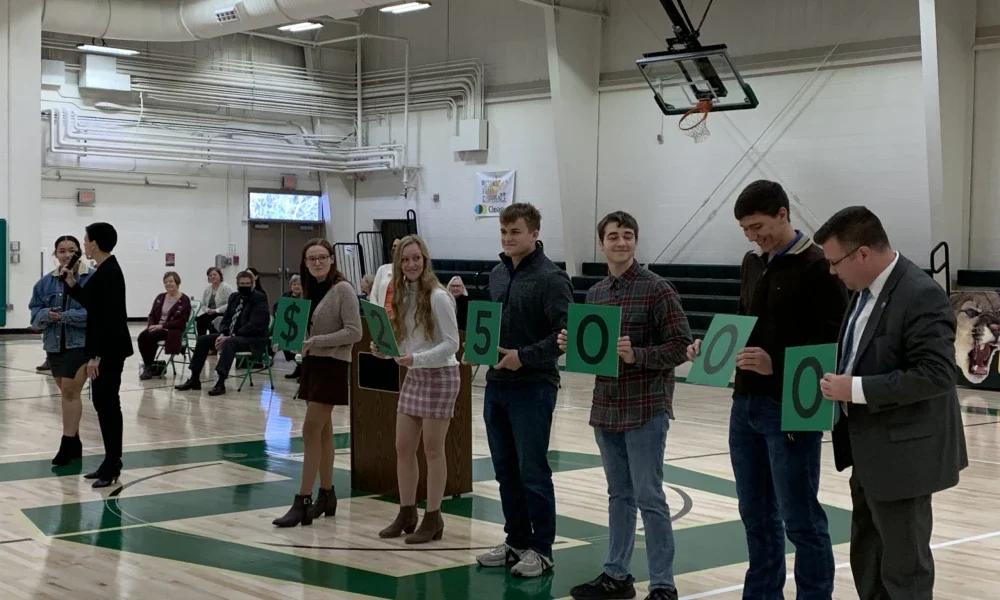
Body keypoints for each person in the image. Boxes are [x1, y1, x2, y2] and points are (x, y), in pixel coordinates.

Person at [685, 180, 847, 599]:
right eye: (745, 230)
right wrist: (713, 349)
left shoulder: (818, 265)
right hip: (745, 405)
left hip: (791, 407)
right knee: (754, 515)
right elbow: (743, 324)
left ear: (782, 213)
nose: (753, 236)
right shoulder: (751, 262)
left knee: (800, 518)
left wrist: (775, 362)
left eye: (758, 226)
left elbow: (831, 342)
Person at [815, 206, 968, 600]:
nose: (833, 272)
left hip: (905, 457)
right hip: (868, 452)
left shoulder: (920, 294)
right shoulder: (863, 293)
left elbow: (937, 374)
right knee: (868, 558)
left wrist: (857, 389)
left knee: (905, 569)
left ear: (862, 254)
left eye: (835, 262)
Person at [558, 212, 691, 600]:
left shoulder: (658, 289)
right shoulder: (596, 293)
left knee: (650, 496)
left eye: (627, 236)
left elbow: (681, 346)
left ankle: (663, 585)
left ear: (636, 241)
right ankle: (616, 575)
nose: (620, 242)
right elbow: (593, 355)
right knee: (619, 495)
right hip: (606, 409)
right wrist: (573, 346)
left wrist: (639, 355)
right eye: (613, 236)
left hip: (646, 408)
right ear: (602, 243)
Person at [475, 203, 573, 578]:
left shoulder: (552, 278)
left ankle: (542, 549)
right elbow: (493, 327)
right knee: (504, 470)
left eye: (514, 231)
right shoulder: (498, 274)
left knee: (533, 471)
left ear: (534, 233)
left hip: (534, 387)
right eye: (503, 231)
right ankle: (516, 541)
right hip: (496, 385)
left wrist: (525, 357)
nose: (507, 238)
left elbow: (564, 337)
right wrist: (479, 350)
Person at [374, 235, 460, 544]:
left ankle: (433, 517)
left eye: (416, 258)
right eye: (405, 260)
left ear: (425, 261)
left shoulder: (438, 296)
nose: (411, 264)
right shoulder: (400, 294)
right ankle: (406, 511)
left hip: (441, 376)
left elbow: (453, 344)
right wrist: (387, 349)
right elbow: (408, 340)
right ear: (398, 264)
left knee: (433, 450)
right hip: (415, 374)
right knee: (402, 447)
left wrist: (416, 358)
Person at [273, 239, 362, 527]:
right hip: (313, 363)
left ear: (332, 259)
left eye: (322, 257)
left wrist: (316, 342)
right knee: (323, 433)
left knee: (310, 430)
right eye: (311, 259)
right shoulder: (309, 289)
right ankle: (327, 494)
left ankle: (302, 500)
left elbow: (354, 331)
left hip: (333, 365)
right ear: (305, 263)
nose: (317, 262)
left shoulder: (344, 289)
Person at [60, 222, 134, 489]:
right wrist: (70, 283)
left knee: (108, 406)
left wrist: (96, 356)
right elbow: (93, 303)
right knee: (103, 405)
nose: (83, 244)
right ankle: (109, 461)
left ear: (95, 243)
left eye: (85, 239)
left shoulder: (110, 272)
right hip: (105, 348)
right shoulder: (103, 270)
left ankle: (113, 463)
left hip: (110, 349)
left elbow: (109, 318)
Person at [29, 235, 92, 466]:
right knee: (65, 393)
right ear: (56, 255)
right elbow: (34, 316)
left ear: (80, 253)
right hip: (54, 345)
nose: (67, 255)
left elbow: (95, 315)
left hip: (81, 345)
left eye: (72, 250)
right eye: (62, 251)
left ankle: (66, 443)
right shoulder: (44, 283)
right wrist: (47, 315)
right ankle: (75, 443)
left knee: (69, 392)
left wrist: (64, 317)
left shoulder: (91, 279)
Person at [174, 271, 269, 396]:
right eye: (241, 284)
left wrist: (231, 336)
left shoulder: (259, 298)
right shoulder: (234, 297)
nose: (244, 286)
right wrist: (223, 333)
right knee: (203, 340)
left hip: (252, 338)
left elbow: (255, 325)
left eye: (247, 284)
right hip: (231, 335)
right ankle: (194, 378)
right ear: (237, 284)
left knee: (229, 343)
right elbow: (226, 319)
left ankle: (220, 382)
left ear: (252, 284)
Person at [138, 272, 192, 380]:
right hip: (157, 327)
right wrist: (151, 325)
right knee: (142, 337)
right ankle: (149, 365)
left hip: (172, 329)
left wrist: (162, 326)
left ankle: (148, 367)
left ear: (177, 282)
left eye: (171, 281)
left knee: (151, 337)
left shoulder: (184, 300)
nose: (168, 284)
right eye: (166, 282)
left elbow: (181, 322)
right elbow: (152, 314)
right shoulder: (160, 297)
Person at [272, 274, 304, 379]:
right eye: (294, 284)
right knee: (284, 344)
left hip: (302, 328)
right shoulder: (286, 296)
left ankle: (302, 369)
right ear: (290, 286)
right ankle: (299, 367)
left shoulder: (306, 296)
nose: (296, 286)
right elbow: (276, 307)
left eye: (299, 284)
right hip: (288, 327)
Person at [196, 267, 233, 336]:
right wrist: (207, 310)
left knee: (213, 322)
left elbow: (230, 303)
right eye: (210, 275)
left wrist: (216, 310)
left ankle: (213, 340)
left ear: (220, 276)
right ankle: (201, 340)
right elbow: (203, 304)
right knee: (200, 319)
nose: (212, 276)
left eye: (215, 274)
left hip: (222, 313)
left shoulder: (226, 288)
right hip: (210, 313)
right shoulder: (207, 289)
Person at [370, 237, 401, 317]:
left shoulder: (408, 271)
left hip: (400, 318)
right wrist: (378, 315)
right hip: (382, 317)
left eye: (399, 246)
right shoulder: (382, 269)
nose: (396, 249)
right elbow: (373, 295)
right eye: (394, 246)